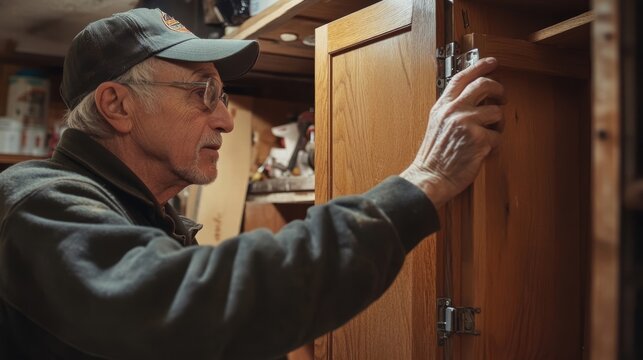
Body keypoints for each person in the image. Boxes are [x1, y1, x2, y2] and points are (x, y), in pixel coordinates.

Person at [0, 7, 504, 360]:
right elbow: (192, 307)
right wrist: (423, 183)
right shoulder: (37, 201)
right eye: (204, 92)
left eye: (223, 95)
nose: (226, 120)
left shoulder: (152, 215)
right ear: (117, 105)